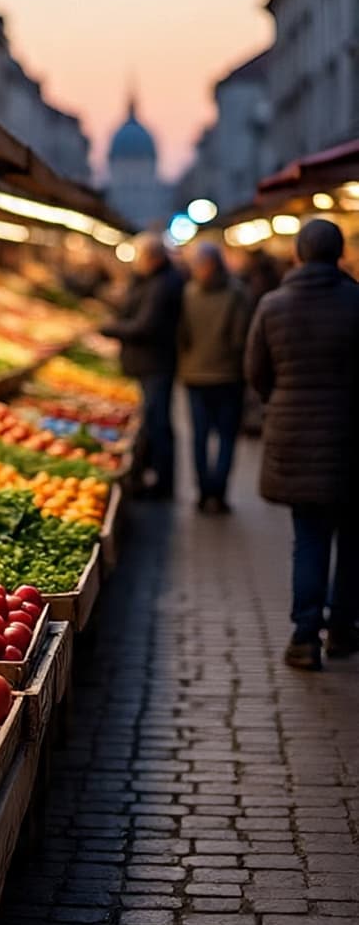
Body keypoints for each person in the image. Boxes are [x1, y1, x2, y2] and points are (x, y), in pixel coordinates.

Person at [245, 218, 359, 671]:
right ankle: (344, 630)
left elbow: (255, 371)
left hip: (295, 440)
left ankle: (305, 637)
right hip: (351, 441)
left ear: (297, 254)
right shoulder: (357, 301)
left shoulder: (273, 305)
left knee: (308, 539)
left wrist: (282, 402)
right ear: (340, 255)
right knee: (352, 541)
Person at [101, 233, 184, 499]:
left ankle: (162, 482)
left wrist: (109, 328)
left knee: (158, 422)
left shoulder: (163, 284)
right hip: (148, 363)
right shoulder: (151, 280)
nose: (135, 262)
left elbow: (146, 325)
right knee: (153, 421)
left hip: (155, 363)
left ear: (151, 257)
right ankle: (151, 475)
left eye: (139, 257)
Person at [178, 242, 250, 514]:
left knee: (199, 436)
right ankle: (217, 492)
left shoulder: (188, 293)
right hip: (227, 376)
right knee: (226, 437)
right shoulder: (238, 293)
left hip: (196, 375)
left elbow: (181, 334)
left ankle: (204, 491)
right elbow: (241, 338)